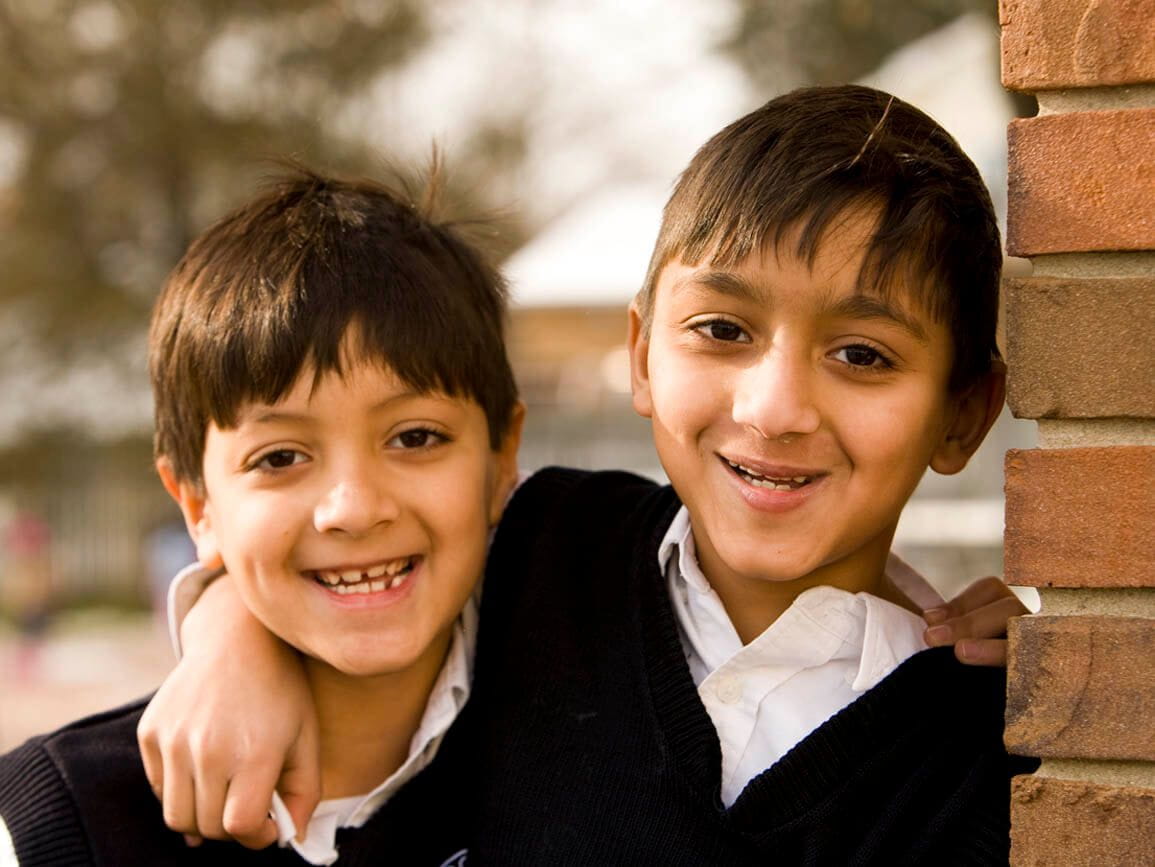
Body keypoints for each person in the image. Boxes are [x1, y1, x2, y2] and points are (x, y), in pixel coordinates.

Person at [137, 85, 1034, 863]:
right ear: (641, 354)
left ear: (962, 411)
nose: (773, 408)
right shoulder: (550, 552)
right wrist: (228, 634)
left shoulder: (988, 752)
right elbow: (357, 552)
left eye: (861, 354)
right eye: (722, 330)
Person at [0, 165, 523, 865]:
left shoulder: (606, 706)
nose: (354, 508)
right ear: (196, 503)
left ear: (500, 457)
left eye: (415, 437)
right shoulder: (68, 823)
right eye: (279, 457)